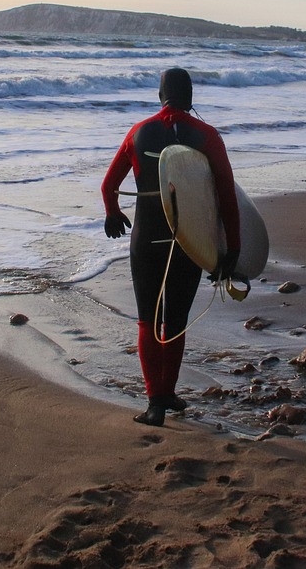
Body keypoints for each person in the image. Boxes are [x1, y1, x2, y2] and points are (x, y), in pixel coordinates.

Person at [101, 68, 240, 426]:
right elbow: (226, 196)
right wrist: (232, 249)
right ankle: (167, 391)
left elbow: (108, 185)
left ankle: (156, 403)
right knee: (175, 320)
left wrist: (112, 214)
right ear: (190, 97)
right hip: (187, 240)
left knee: (148, 319)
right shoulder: (207, 136)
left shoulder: (137, 132)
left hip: (146, 238)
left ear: (159, 94)